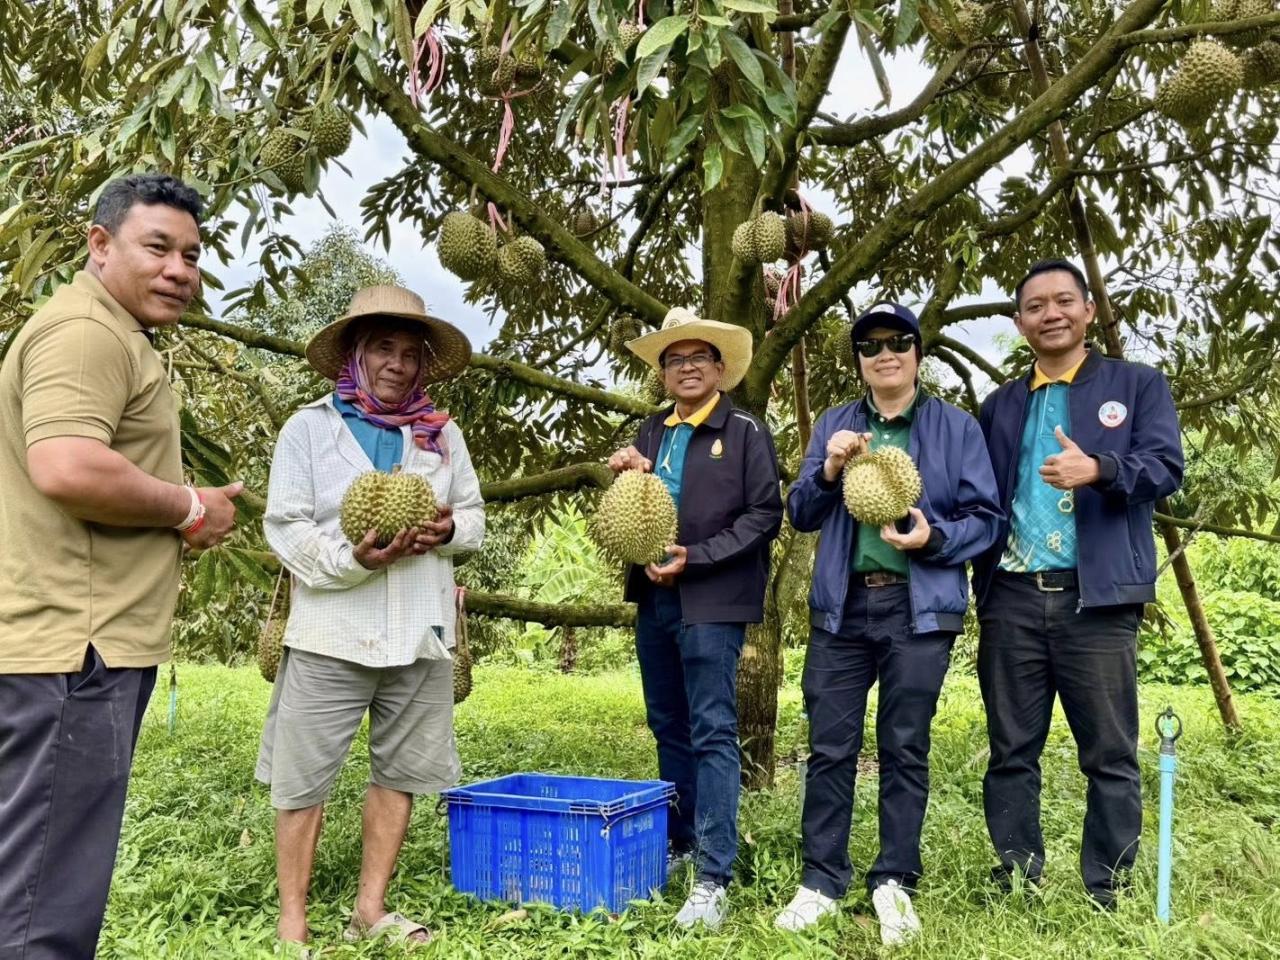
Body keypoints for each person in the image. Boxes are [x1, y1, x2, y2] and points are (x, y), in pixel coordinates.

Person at [0, 173, 242, 960]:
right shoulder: (87, 334)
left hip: (65, 643)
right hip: (78, 648)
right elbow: (67, 467)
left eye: (193, 255)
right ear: (99, 244)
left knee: (32, 870)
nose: (180, 269)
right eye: (158, 247)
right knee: (45, 898)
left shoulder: (97, 331)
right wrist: (188, 506)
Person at [257, 285, 484, 954]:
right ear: (356, 355)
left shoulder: (440, 436)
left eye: (410, 354)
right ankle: (292, 917)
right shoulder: (309, 428)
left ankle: (370, 907)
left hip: (419, 628)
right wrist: (353, 559)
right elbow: (287, 528)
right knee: (304, 776)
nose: (397, 364)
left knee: (403, 771)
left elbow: (472, 519)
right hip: (330, 628)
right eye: (383, 348)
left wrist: (446, 530)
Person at [777, 302, 1002, 945]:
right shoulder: (836, 425)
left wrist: (933, 537)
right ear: (860, 361)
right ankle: (821, 879)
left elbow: (986, 521)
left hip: (918, 610)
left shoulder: (957, 429)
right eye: (871, 345)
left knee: (906, 747)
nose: (885, 353)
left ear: (917, 353)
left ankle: (894, 880)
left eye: (898, 342)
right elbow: (800, 511)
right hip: (842, 609)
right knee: (830, 747)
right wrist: (826, 470)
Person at [973, 259, 1184, 907]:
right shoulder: (1002, 405)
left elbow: (1166, 467)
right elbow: (978, 498)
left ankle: (1108, 886)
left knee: (1110, 753)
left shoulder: (1138, 385)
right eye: (1035, 306)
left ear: (1090, 310)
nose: (1051, 314)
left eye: (1064, 301)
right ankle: (1015, 877)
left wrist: (1100, 467)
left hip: (1096, 599)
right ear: (1019, 323)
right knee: (1011, 749)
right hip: (1011, 596)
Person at [605, 307, 783, 929]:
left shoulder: (744, 432)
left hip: (711, 599)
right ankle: (679, 843)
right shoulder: (651, 432)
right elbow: (638, 509)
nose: (686, 368)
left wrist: (696, 557)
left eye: (698, 358)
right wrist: (628, 473)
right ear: (662, 372)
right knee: (667, 724)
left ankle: (714, 872)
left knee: (711, 729)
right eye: (674, 360)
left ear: (719, 370)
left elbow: (765, 513)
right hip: (656, 599)